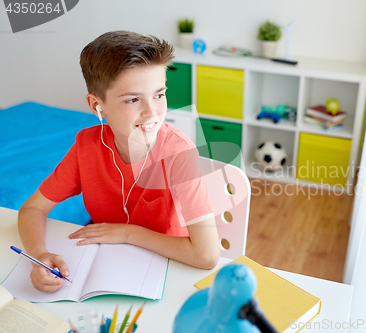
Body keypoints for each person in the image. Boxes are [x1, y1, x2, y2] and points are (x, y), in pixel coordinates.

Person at [18, 31, 220, 293]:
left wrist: (128, 233)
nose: (152, 112)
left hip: (169, 268)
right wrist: (39, 255)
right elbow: (32, 209)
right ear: (96, 105)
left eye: (159, 94)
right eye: (133, 99)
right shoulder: (85, 147)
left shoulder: (178, 153)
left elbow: (206, 255)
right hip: (107, 263)